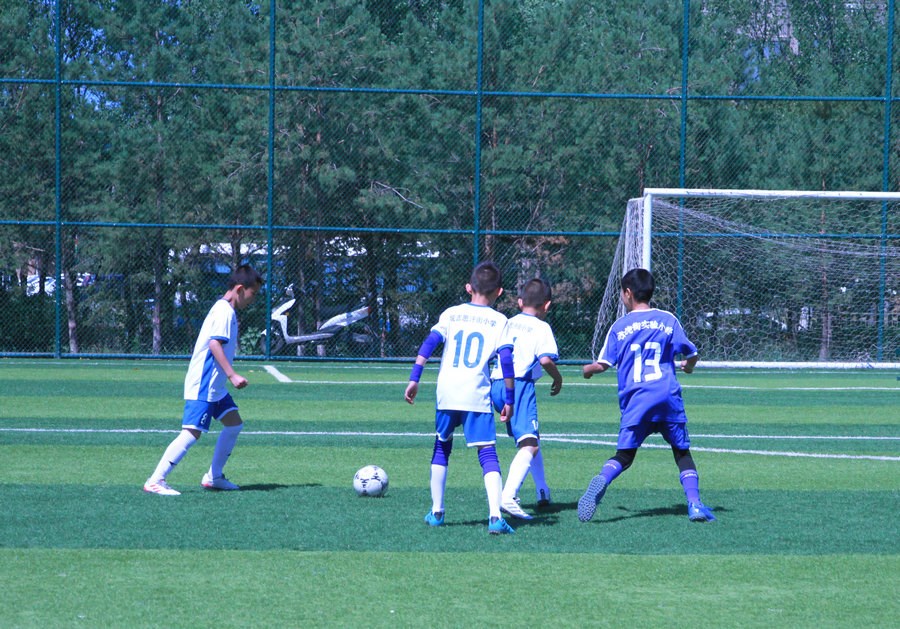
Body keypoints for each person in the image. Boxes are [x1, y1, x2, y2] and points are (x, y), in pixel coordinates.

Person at [577, 268, 716, 523]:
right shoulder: (667, 320)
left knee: (625, 456)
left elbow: (603, 364)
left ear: (628, 293)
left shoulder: (620, 326)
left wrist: (587, 370)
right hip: (666, 397)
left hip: (637, 401)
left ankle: (603, 478)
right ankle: (695, 504)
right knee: (681, 452)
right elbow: (692, 353)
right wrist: (688, 367)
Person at [404, 261, 518, 535]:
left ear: (468, 288)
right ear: (499, 292)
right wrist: (510, 399)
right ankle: (495, 517)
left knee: (442, 446)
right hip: (475, 394)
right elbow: (506, 360)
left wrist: (415, 377)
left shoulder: (451, 313)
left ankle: (437, 512)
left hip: (447, 392)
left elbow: (430, 343)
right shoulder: (500, 320)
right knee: (487, 451)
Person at [143, 264, 263, 496]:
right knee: (192, 432)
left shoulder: (227, 310)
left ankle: (213, 477)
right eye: (253, 293)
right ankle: (155, 480)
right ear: (240, 289)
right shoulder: (224, 311)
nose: (254, 299)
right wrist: (232, 374)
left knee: (234, 424)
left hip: (215, 387)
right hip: (204, 383)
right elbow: (214, 344)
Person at [489, 278, 562, 520]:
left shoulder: (507, 322)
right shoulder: (542, 327)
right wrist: (558, 378)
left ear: (520, 302)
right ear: (547, 305)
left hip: (496, 383)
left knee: (531, 438)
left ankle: (542, 491)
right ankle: (508, 496)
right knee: (529, 443)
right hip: (519, 384)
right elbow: (545, 359)